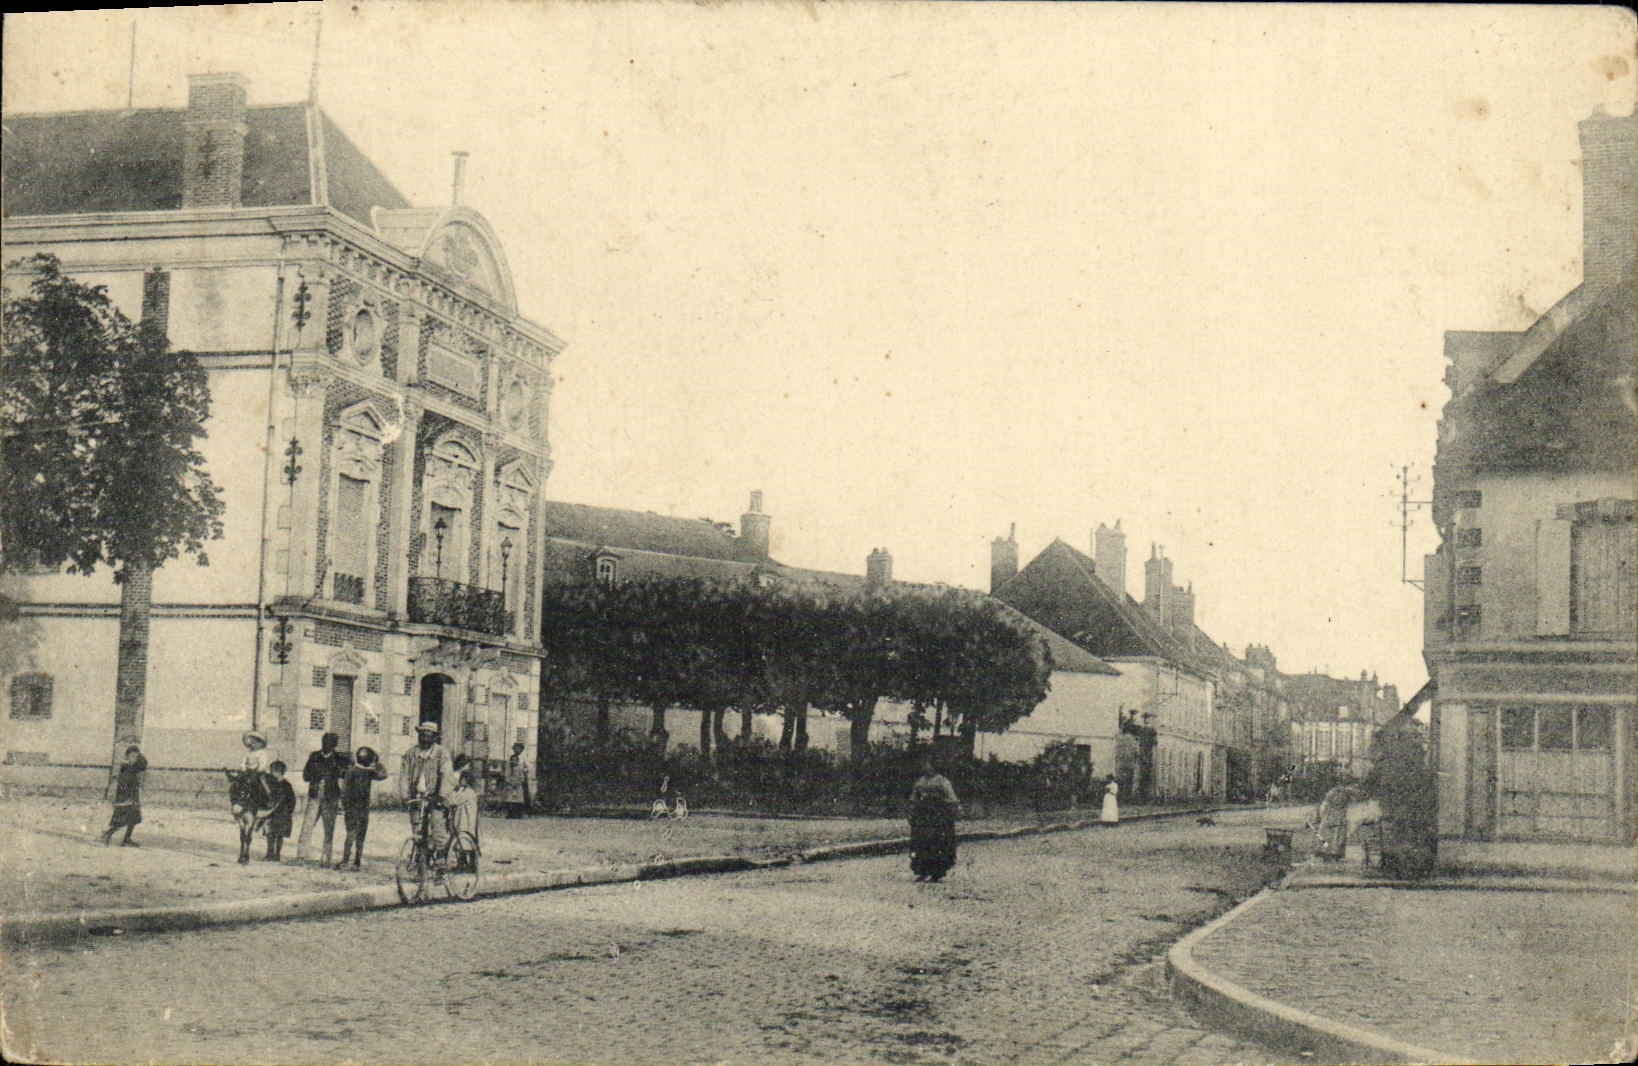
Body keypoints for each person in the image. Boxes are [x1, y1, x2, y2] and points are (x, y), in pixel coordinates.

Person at [400, 722, 455, 860]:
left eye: (428, 736)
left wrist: (442, 796)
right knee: (417, 831)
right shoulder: (410, 754)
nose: (424, 739)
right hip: (416, 797)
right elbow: (404, 776)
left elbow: (446, 775)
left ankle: (441, 858)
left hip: (435, 797)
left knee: (437, 828)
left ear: (434, 738)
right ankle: (420, 859)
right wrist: (404, 795)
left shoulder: (442, 754)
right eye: (422, 735)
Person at [296, 731, 348, 865]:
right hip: (315, 795)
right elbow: (305, 776)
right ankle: (302, 855)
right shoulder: (314, 757)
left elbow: (346, 778)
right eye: (325, 742)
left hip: (331, 797)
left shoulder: (340, 760)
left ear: (334, 745)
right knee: (307, 825)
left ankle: (326, 858)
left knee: (328, 828)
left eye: (330, 743)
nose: (327, 745)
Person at [908, 760, 961, 883]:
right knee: (921, 843)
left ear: (934, 767)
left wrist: (952, 811)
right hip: (922, 816)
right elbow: (914, 798)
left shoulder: (942, 781)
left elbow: (951, 798)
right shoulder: (920, 781)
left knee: (936, 844)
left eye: (928, 765)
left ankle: (936, 872)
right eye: (925, 766)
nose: (926, 768)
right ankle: (922, 871)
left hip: (937, 816)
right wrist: (912, 812)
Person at [225, 730, 273, 865]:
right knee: (238, 783)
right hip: (247, 774)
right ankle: (237, 802)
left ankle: (266, 799)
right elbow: (243, 763)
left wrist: (256, 769)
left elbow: (263, 765)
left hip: (258, 774)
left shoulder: (262, 753)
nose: (252, 744)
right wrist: (243, 769)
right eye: (250, 742)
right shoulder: (248, 754)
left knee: (262, 784)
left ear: (259, 743)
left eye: (254, 742)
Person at [336, 745, 388, 870]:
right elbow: (383, 774)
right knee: (356, 835)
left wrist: (344, 805)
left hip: (358, 808)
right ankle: (353, 862)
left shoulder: (362, 771)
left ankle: (349, 861)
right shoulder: (359, 772)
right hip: (356, 808)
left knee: (353, 835)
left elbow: (383, 775)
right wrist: (378, 762)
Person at [101, 745, 148, 847]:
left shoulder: (135, 766)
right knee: (123, 820)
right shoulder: (125, 767)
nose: (134, 758)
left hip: (133, 797)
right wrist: (126, 798)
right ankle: (108, 833)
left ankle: (126, 839)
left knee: (134, 819)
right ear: (127, 756)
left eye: (136, 756)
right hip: (125, 797)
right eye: (132, 756)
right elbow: (123, 783)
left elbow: (144, 764)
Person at [1313, 783, 1367, 861]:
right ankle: (1331, 853)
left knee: (1332, 835)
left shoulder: (1338, 793)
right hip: (1335, 817)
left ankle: (1330, 853)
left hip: (1333, 816)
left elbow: (1324, 807)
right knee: (1333, 835)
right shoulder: (1338, 793)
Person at [261, 760, 297, 862]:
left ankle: (277, 854)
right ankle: (269, 853)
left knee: (279, 835)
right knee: (270, 834)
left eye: (273, 771)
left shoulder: (286, 785)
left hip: (282, 814)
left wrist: (289, 812)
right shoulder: (270, 784)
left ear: (279, 772)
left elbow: (292, 800)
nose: (271, 774)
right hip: (271, 814)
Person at [503, 741, 532, 818]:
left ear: (521, 750)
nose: (517, 750)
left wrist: (523, 770)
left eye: (518, 748)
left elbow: (529, 767)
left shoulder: (523, 758)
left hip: (520, 778)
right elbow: (508, 768)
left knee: (520, 796)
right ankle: (511, 813)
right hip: (512, 777)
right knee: (511, 796)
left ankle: (519, 813)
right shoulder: (511, 757)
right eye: (515, 748)